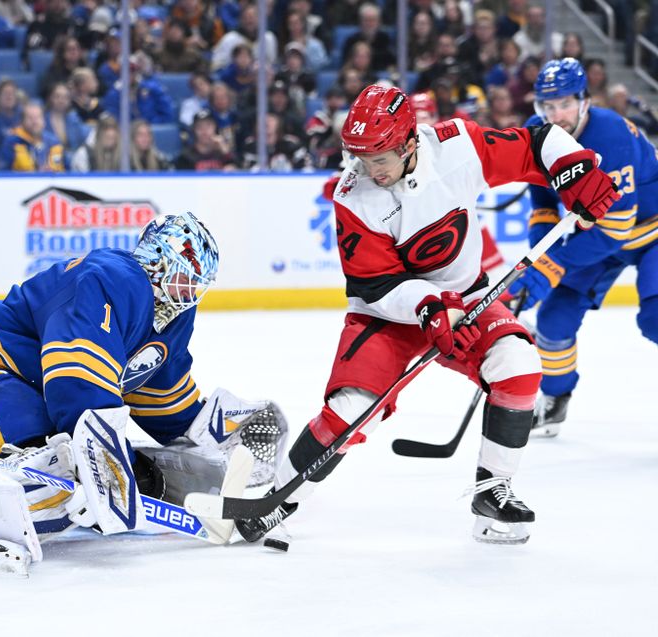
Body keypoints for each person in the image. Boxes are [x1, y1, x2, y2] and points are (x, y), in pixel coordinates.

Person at [234, 84, 619, 546]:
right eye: (359, 156)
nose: (368, 169)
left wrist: (572, 168)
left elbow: (536, 143)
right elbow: (374, 285)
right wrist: (428, 307)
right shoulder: (353, 196)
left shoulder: (458, 148)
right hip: (388, 315)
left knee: (518, 362)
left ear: (410, 142)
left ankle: (492, 492)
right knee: (352, 412)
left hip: (467, 299)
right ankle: (278, 497)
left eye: (379, 158)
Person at [0, 212, 287, 575]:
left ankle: (55, 491)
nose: (188, 292)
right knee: (58, 470)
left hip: (46, 391)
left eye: (197, 284)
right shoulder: (111, 277)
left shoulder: (173, 317)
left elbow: (159, 394)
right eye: (183, 277)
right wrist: (98, 469)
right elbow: (77, 380)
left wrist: (218, 429)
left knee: (127, 473)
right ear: (157, 261)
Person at [507, 58, 658, 437]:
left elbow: (616, 230)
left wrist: (552, 265)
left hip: (649, 231)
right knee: (553, 322)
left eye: (565, 104)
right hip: (598, 234)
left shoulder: (612, 137)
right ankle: (556, 402)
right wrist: (539, 256)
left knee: (655, 318)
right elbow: (542, 198)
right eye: (549, 105)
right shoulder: (538, 132)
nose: (557, 115)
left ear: (584, 100)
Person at [0, 101, 66, 172]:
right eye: (30, 118)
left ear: (44, 120)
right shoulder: (12, 142)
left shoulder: (54, 142)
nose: (35, 122)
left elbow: (68, 170)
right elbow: (3, 173)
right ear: (22, 121)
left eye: (38, 117)